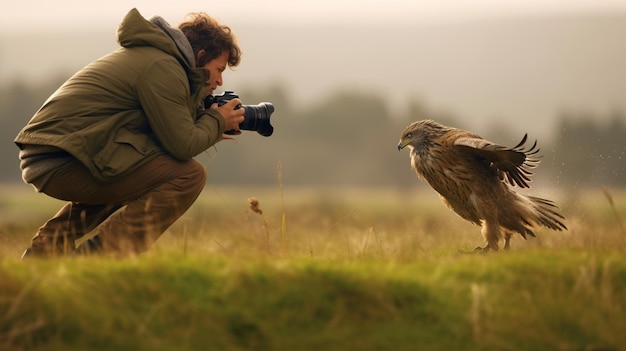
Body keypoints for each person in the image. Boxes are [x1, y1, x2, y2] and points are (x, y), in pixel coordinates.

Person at [15, 8, 244, 258]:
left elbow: (162, 135)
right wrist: (215, 120)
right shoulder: (164, 67)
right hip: (59, 159)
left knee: (138, 168)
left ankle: (42, 254)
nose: (220, 81)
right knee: (189, 176)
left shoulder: (156, 59)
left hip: (60, 154)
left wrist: (208, 122)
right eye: (219, 69)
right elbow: (183, 145)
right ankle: (97, 260)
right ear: (200, 55)